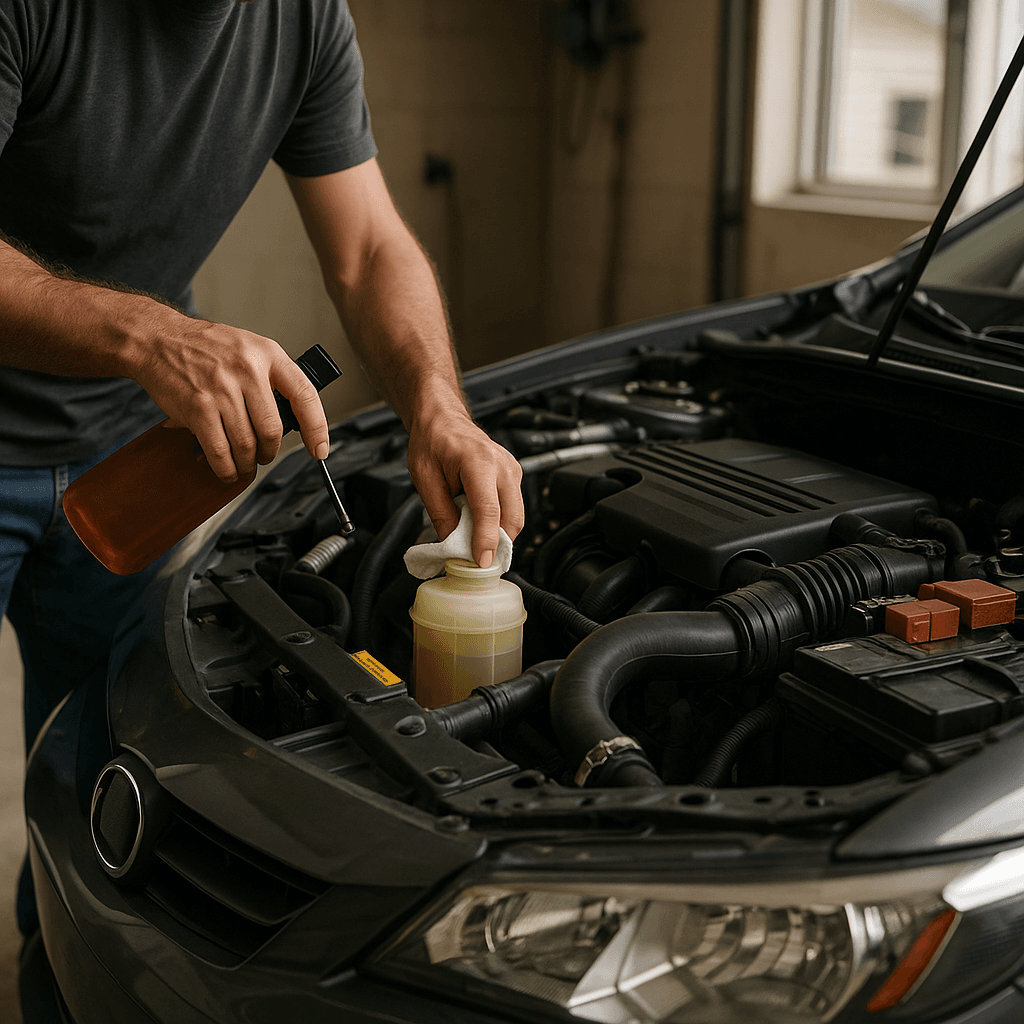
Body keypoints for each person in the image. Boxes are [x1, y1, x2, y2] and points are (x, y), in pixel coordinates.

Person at [0, 0, 523, 940]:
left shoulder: (307, 20)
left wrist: (437, 405)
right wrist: (151, 333)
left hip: (128, 461)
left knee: (96, 794)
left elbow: (366, 249)